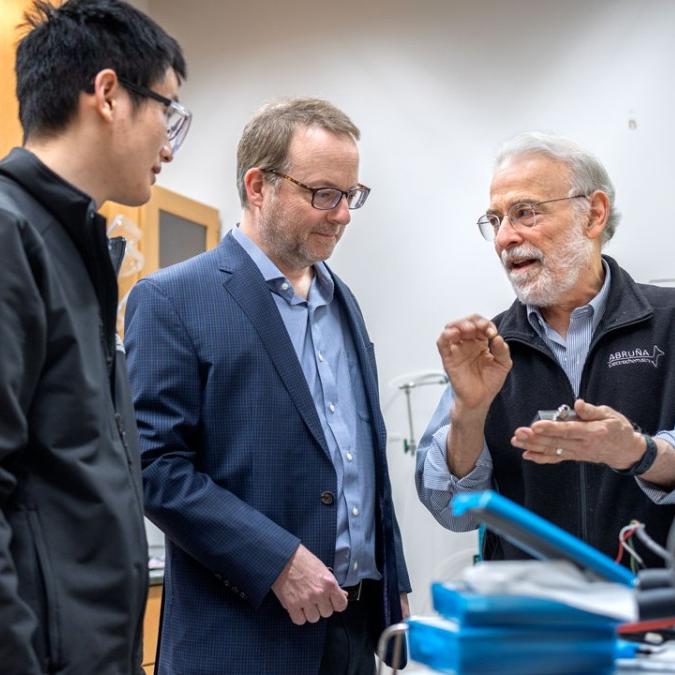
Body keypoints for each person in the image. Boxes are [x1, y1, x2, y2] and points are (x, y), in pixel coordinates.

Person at [125, 97, 410, 675]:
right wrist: (278, 561)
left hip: (353, 633)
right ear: (259, 186)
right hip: (241, 637)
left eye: (351, 196)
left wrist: (390, 581)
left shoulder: (342, 301)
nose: (343, 214)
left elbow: (360, 462)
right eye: (323, 194)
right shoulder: (173, 300)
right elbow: (155, 468)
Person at [0, 1, 189, 672]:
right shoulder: (9, 234)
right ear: (107, 94)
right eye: (168, 111)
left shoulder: (74, 247)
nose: (169, 144)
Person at [416, 132, 675, 567]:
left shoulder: (668, 321)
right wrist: (470, 410)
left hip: (652, 611)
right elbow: (451, 509)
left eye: (524, 213)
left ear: (593, 215)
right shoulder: (488, 347)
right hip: (532, 617)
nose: (504, 238)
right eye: (495, 220)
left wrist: (636, 451)